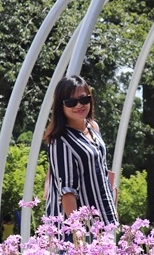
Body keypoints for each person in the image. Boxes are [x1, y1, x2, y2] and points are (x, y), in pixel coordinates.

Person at [44, 75, 118, 241]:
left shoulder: (93, 128)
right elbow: (67, 191)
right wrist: (78, 234)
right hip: (80, 230)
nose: (79, 105)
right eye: (71, 102)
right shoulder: (60, 140)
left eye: (84, 99)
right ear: (60, 106)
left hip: (103, 220)